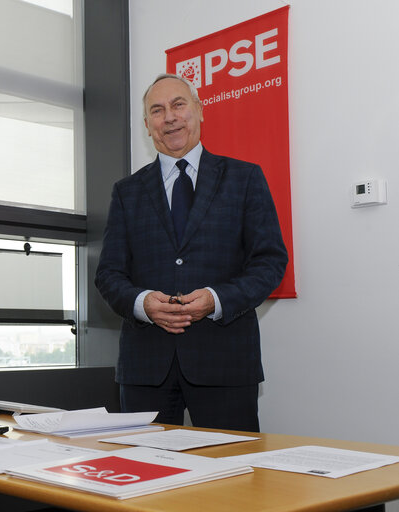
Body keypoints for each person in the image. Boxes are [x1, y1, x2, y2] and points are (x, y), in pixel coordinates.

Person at [94, 73, 288, 432]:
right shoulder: (127, 192)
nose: (169, 117)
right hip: (145, 367)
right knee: (145, 477)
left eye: (178, 105)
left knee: (232, 479)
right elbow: (108, 274)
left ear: (199, 111)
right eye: (157, 110)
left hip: (225, 362)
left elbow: (270, 261)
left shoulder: (244, 179)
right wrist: (143, 304)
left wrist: (216, 299)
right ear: (148, 125)